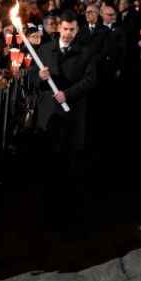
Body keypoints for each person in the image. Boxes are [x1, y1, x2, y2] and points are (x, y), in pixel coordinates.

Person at [33, 15, 97, 222]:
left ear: (77, 30)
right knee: (49, 159)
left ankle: (69, 208)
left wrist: (68, 94)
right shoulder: (44, 50)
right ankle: (47, 205)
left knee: (70, 160)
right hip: (49, 115)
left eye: (72, 30)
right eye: (65, 29)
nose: (68, 33)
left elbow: (90, 80)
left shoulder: (86, 52)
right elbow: (32, 77)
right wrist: (39, 77)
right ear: (59, 28)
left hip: (73, 114)